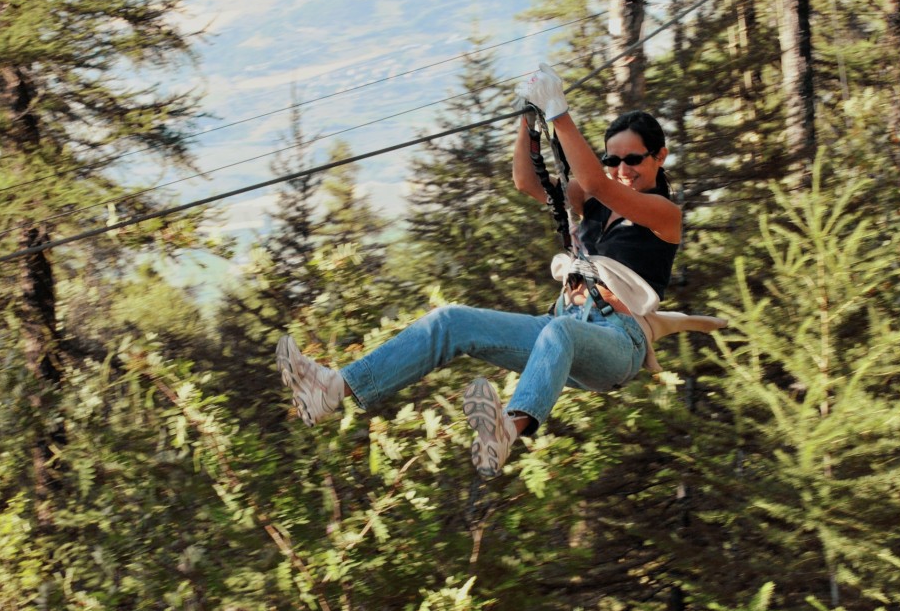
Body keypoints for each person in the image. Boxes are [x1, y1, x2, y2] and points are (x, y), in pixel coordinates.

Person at [277, 63, 725, 477]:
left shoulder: (663, 214)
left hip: (614, 344)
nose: (622, 169)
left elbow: (596, 183)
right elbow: (528, 182)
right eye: (613, 159)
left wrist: (560, 114)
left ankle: (505, 432)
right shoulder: (590, 203)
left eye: (634, 159)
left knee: (559, 334)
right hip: (563, 325)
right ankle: (333, 389)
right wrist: (529, 120)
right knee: (452, 321)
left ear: (659, 157)